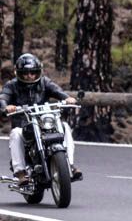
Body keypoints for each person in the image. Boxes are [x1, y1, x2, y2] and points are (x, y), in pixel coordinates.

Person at [2, 53, 80, 185]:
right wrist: (6, 106)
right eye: (26, 73)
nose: (29, 76)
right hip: (24, 125)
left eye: (33, 72)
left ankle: (69, 164)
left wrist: (66, 98)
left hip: (44, 121)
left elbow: (57, 91)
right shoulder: (12, 85)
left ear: (38, 72)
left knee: (65, 126)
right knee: (15, 133)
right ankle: (21, 172)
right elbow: (3, 97)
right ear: (19, 73)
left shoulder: (44, 82)